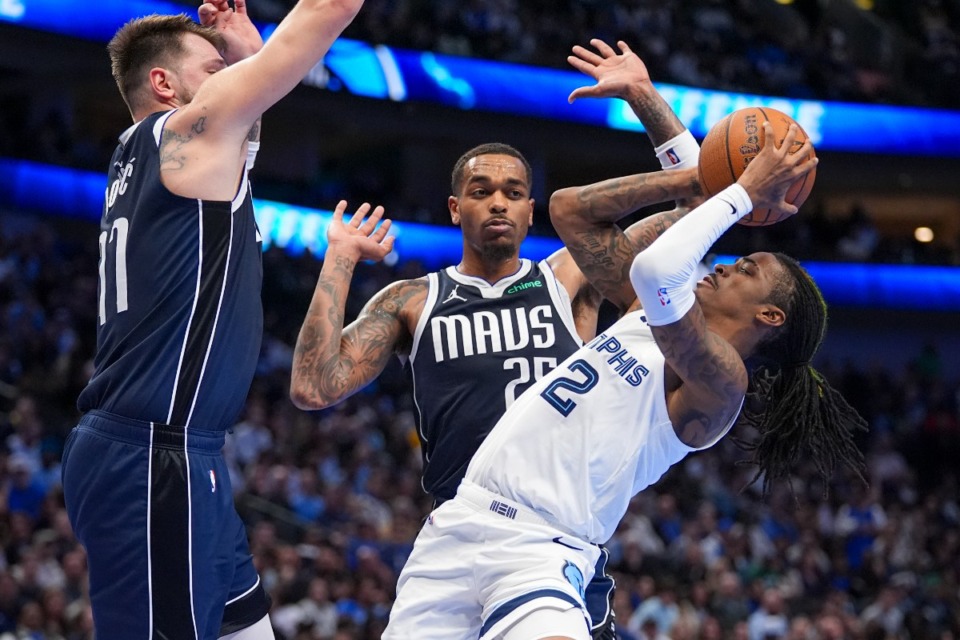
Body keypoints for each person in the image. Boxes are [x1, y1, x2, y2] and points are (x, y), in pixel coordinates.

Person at [382, 111, 867, 638]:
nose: (724, 265)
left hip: (539, 550)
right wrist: (645, 98)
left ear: (769, 317)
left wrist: (744, 195)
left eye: (747, 270)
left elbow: (659, 268)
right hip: (457, 524)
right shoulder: (644, 314)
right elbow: (570, 208)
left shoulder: (721, 382)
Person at [289, 39, 703, 640]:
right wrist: (340, 259)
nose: (498, 203)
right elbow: (311, 386)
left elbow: (695, 206)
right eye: (482, 192)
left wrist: (643, 95)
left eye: (513, 192)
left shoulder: (569, 277)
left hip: (551, 533)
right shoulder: (412, 300)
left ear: (532, 211)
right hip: (457, 531)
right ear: (455, 209)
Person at [59, 0, 367, 638]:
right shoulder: (183, 136)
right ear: (165, 84)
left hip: (178, 452)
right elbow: (330, 11)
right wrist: (260, 57)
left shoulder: (156, 157)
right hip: (150, 455)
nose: (228, 74)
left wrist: (244, 50)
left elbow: (245, 141)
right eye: (213, 67)